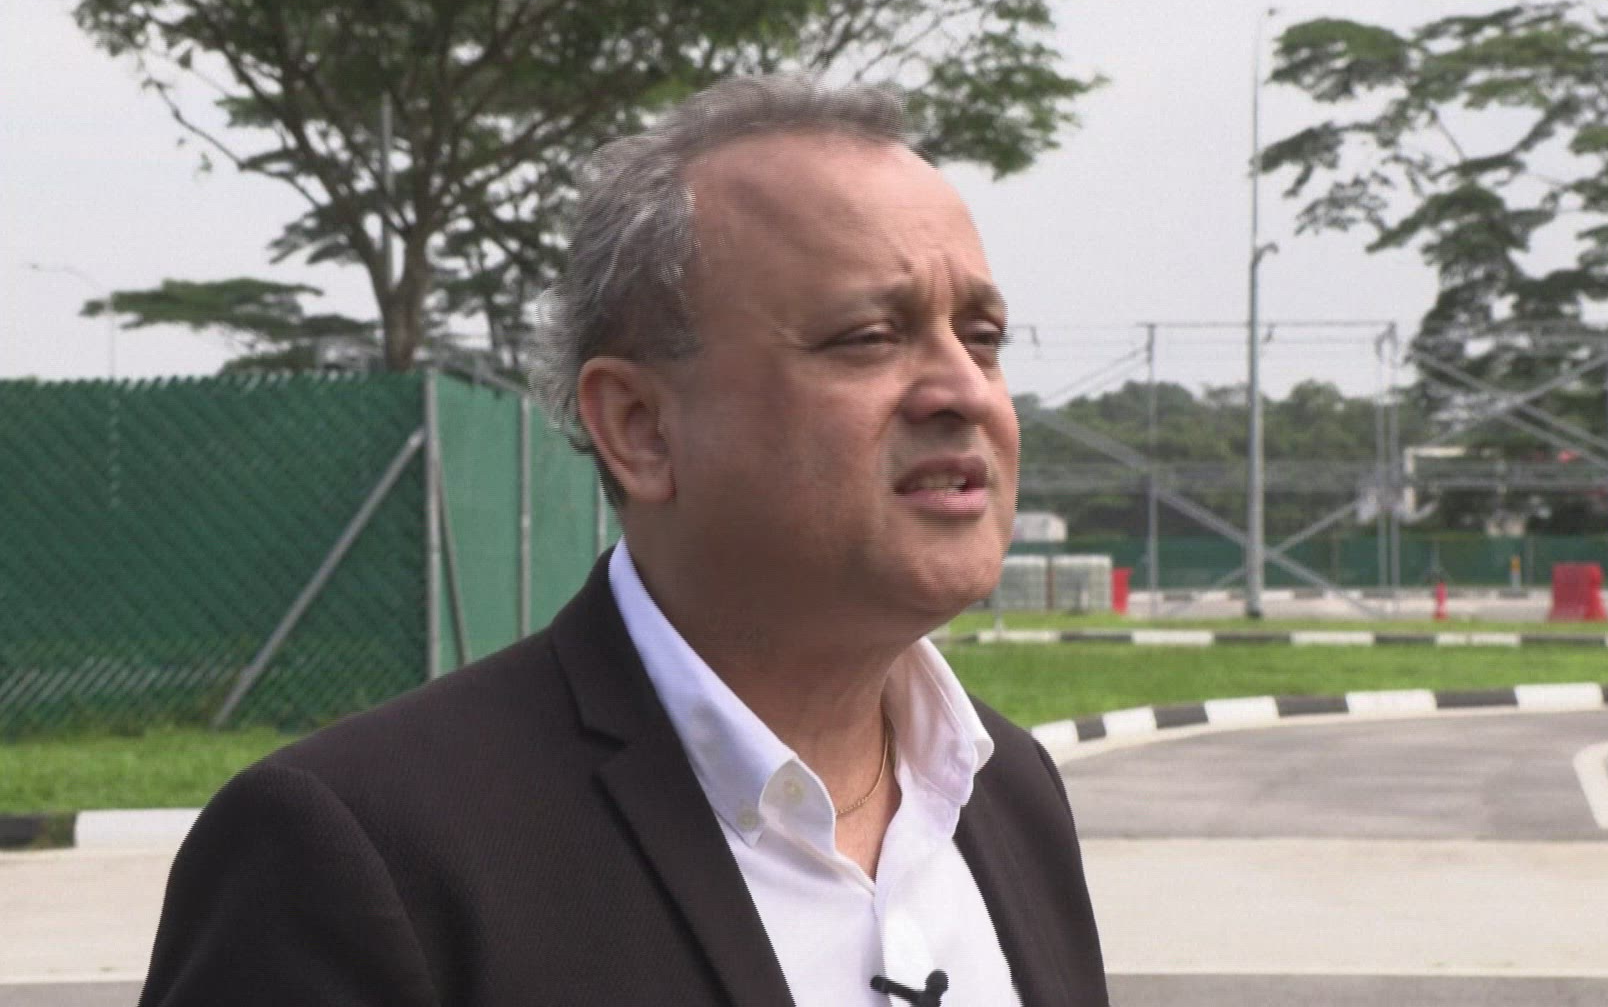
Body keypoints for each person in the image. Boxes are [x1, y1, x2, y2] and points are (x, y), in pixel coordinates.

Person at [138, 74, 1110, 1007]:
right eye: (867, 337)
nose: (964, 390)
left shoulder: (1009, 791)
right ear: (640, 428)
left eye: (982, 337)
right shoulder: (362, 854)